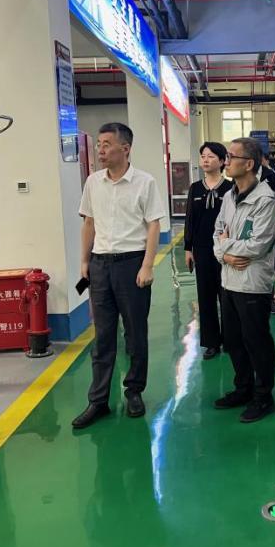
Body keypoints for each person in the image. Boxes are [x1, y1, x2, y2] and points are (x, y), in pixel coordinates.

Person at [73, 123, 166, 428]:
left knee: (135, 333)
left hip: (131, 264)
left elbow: (153, 225)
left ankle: (134, 390)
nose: (100, 149)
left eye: (106, 144)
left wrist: (148, 265)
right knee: (102, 336)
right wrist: (84, 261)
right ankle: (98, 400)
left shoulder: (145, 182)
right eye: (98, 144)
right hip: (100, 265)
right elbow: (89, 223)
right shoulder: (93, 183)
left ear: (125, 148)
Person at [212, 137, 275, 423]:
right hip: (229, 280)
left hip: (252, 282)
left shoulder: (265, 199)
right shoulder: (229, 196)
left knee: (256, 340)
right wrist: (225, 255)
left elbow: (259, 245)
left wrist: (225, 247)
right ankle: (243, 388)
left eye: (231, 157)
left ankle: (264, 396)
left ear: (249, 164)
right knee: (233, 339)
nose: (226, 162)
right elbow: (217, 233)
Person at [184, 142, 233, 360]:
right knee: (205, 297)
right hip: (202, 249)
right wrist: (188, 248)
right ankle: (211, 342)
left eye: (211, 156)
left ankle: (230, 339)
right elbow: (190, 219)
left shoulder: (230, 188)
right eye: (203, 156)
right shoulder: (195, 188)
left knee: (227, 295)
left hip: (225, 249)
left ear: (222, 161)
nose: (205, 160)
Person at [258, 145, 275, 314]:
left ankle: (273, 298)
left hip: (270, 227)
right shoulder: (241, 175)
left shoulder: (269, 175)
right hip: (250, 229)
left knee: (274, 262)